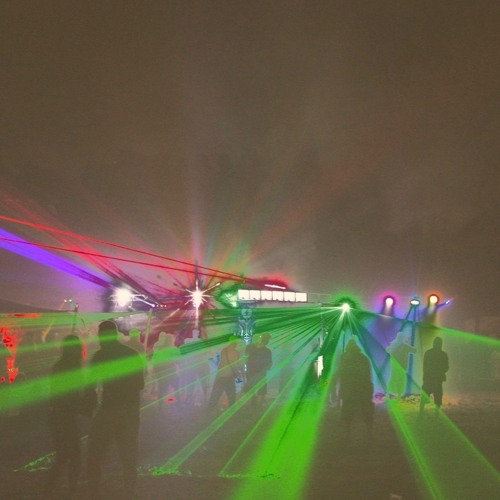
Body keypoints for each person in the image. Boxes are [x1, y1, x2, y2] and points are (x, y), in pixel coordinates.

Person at [86, 320, 145, 499]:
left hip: (109, 410)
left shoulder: (100, 356)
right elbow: (140, 384)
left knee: (95, 453)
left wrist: (88, 406)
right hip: (130, 410)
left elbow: (90, 385)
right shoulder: (131, 354)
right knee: (129, 454)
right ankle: (129, 491)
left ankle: (94, 491)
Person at [44, 334, 86, 497]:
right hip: (65, 416)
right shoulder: (71, 367)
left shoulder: (60, 366)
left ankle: (53, 488)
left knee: (66, 454)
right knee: (71, 454)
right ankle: (64, 488)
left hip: (59, 415)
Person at [337, 339, 374, 439]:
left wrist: (342, 390)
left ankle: (347, 432)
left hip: (350, 388)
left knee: (348, 410)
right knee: (366, 410)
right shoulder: (363, 358)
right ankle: (369, 431)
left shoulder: (344, 358)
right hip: (363, 387)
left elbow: (341, 374)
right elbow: (368, 375)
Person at [207, 338, 242, 412]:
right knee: (232, 397)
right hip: (229, 378)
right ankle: (231, 412)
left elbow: (222, 362)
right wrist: (239, 375)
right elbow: (236, 365)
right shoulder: (236, 352)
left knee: (215, 395)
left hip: (220, 376)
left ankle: (209, 410)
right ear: (235, 343)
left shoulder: (224, 350)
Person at [419, 336, 449, 417]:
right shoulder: (443, 354)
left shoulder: (428, 353)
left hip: (429, 378)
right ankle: (436, 414)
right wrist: (440, 372)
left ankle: (421, 413)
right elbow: (446, 367)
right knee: (438, 396)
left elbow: (425, 366)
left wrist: (425, 376)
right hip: (437, 379)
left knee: (425, 395)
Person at [152, 331, 179, 411]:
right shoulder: (173, 349)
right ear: (172, 340)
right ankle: (178, 403)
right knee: (176, 386)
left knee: (162, 388)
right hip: (171, 371)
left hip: (161, 371)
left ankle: (160, 406)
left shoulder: (160, 348)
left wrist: (156, 371)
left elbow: (156, 360)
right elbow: (178, 360)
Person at [245, 334, 272, 409]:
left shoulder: (250, 347)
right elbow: (269, 365)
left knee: (252, 389)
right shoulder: (267, 351)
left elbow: (245, 358)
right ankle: (258, 407)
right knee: (261, 390)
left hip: (252, 372)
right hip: (260, 373)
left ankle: (252, 406)